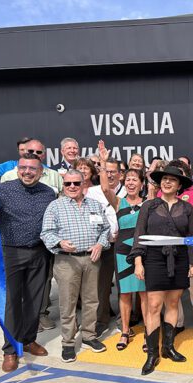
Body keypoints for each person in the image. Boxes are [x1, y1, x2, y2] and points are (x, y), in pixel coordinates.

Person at [128, 165, 193, 375]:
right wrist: (138, 262)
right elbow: (139, 234)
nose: (167, 182)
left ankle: (168, 348)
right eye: (164, 179)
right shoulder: (149, 206)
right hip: (153, 259)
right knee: (153, 305)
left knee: (173, 303)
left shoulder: (187, 209)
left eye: (172, 179)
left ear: (180, 185)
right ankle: (152, 353)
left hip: (179, 259)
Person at [41, 170, 111, 363]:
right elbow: (46, 233)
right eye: (68, 184)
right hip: (66, 260)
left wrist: (100, 244)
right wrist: (60, 242)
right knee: (68, 303)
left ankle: (89, 336)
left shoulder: (95, 205)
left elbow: (106, 229)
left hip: (91, 259)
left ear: (84, 186)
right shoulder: (55, 207)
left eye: (76, 183)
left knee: (91, 300)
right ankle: (68, 343)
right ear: (63, 186)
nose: (72, 187)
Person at [0, 153, 57, 372]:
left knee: (35, 300)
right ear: (17, 169)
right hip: (10, 253)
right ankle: (10, 350)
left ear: (41, 172)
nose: (27, 172)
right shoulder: (2, 191)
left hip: (39, 252)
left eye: (32, 169)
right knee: (12, 302)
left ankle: (29, 339)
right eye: (23, 168)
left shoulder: (48, 193)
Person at [97, 143, 147, 351]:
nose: (131, 183)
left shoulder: (148, 203)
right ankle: (125, 331)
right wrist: (102, 163)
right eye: (128, 180)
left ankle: (148, 333)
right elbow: (104, 188)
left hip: (143, 251)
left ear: (142, 184)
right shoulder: (118, 202)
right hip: (122, 252)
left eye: (135, 179)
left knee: (144, 293)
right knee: (124, 293)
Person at [163, 160, 193, 340]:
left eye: (176, 176)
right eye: (167, 177)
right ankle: (177, 322)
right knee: (173, 288)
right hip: (171, 248)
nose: (169, 181)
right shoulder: (162, 193)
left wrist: (191, 214)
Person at [86, 154, 126, 337]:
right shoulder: (93, 192)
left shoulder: (130, 190)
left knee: (124, 284)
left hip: (123, 245)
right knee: (101, 286)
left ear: (120, 174)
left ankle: (123, 319)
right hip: (103, 246)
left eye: (113, 172)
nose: (109, 175)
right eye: (105, 171)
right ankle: (101, 319)